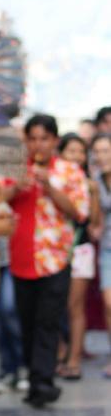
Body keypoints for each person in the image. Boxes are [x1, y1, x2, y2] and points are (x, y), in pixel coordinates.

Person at [5, 114, 89, 407]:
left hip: (55, 260)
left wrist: (50, 187)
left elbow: (79, 213)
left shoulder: (69, 171)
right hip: (20, 258)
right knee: (26, 321)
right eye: (33, 138)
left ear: (54, 140)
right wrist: (17, 187)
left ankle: (42, 381)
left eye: (44, 138)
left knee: (48, 321)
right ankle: (34, 374)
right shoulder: (15, 167)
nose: (38, 144)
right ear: (26, 141)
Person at [56, 133, 102, 380]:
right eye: (70, 151)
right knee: (55, 305)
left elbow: (93, 223)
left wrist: (93, 193)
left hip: (81, 248)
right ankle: (60, 350)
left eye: (80, 152)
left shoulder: (89, 183)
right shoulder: (52, 181)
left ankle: (74, 358)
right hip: (52, 249)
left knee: (75, 306)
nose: (75, 156)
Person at [90, 134, 111, 378]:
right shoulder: (95, 181)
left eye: (106, 151)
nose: (102, 156)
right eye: (98, 151)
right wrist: (94, 193)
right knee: (108, 303)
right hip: (107, 247)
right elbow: (95, 223)